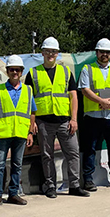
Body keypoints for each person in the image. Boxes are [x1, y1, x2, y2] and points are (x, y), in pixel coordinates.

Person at [25, 37, 90, 198]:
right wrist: (32, 123)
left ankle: (74, 186)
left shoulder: (66, 72)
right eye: (47, 51)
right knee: (47, 156)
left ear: (58, 54)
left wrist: (74, 119)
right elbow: (28, 101)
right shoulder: (33, 73)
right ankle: (51, 186)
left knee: (73, 153)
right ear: (42, 53)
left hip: (64, 121)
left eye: (53, 51)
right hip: (43, 122)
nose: (50, 54)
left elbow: (74, 97)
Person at [0, 55, 37, 209]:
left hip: (20, 133)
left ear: (21, 72)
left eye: (18, 70)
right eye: (12, 69)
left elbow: (32, 112)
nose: (15, 72)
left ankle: (13, 194)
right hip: (2, 134)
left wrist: (30, 132)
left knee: (17, 165)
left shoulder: (28, 90)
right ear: (7, 71)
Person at [78, 38, 110, 192]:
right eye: (102, 52)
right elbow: (85, 90)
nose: (104, 55)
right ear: (96, 53)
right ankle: (88, 180)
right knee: (90, 149)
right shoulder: (88, 69)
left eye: (107, 52)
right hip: (93, 117)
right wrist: (101, 101)